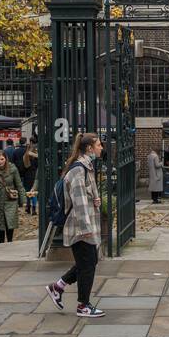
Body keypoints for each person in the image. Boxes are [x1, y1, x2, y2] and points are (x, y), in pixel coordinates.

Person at [47, 132, 105, 319]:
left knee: (88, 262)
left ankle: (58, 287)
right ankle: (83, 306)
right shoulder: (79, 170)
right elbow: (79, 203)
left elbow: (85, 197)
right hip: (80, 228)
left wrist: (95, 199)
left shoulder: (86, 167)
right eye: (99, 145)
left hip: (84, 226)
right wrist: (86, 229)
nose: (101, 147)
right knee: (88, 265)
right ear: (89, 148)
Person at [21, 142, 38, 215]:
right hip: (35, 175)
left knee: (28, 192)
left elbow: (23, 167)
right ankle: (34, 209)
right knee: (34, 192)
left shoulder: (25, 157)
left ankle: (28, 207)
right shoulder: (36, 157)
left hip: (27, 176)